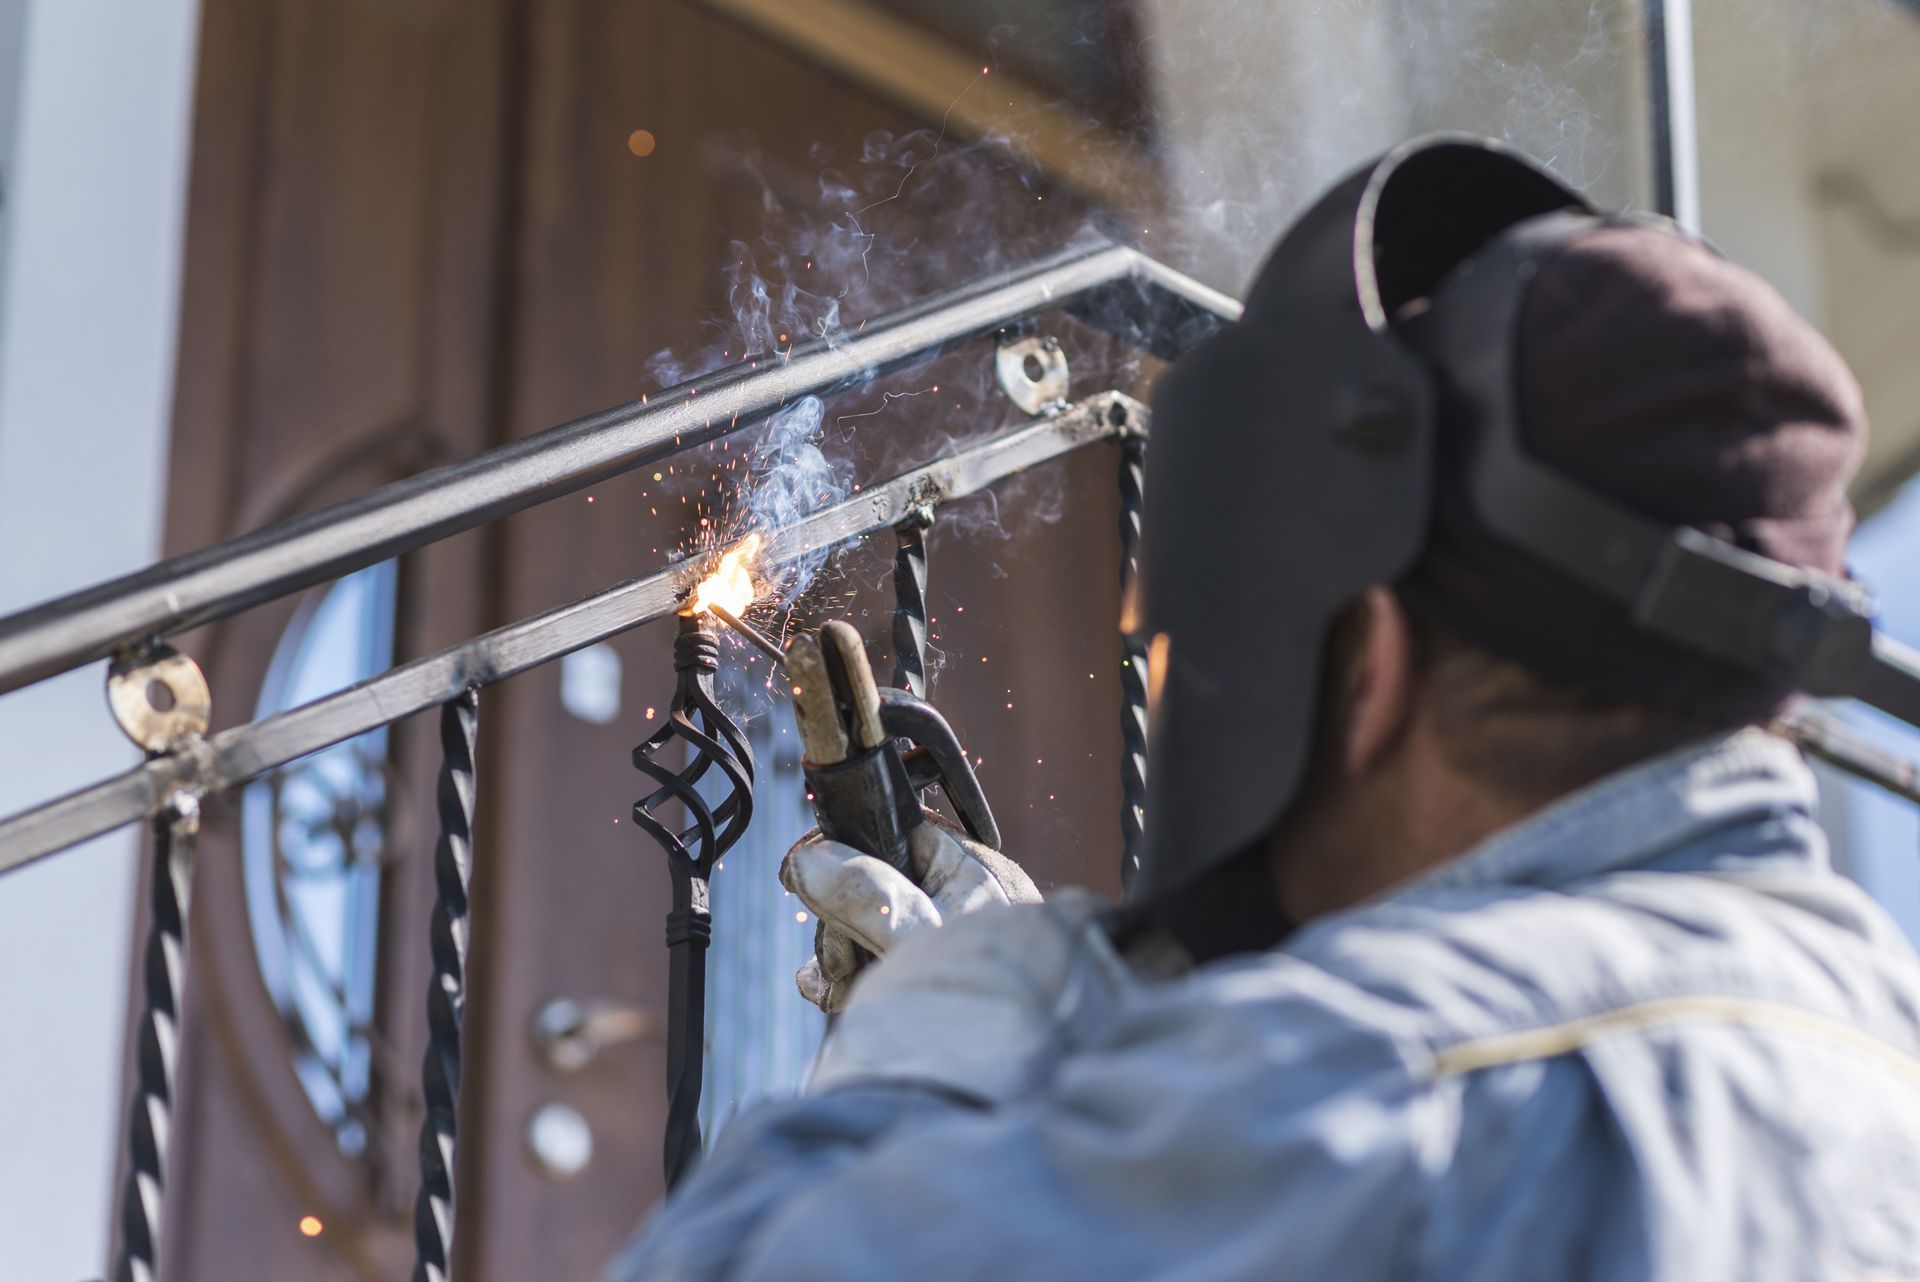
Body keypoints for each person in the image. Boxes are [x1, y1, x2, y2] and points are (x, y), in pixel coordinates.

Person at [612, 138, 1920, 1280]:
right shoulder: (1880, 1069)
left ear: (1371, 663)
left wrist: (930, 1062)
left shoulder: (1388, 1091)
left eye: (1180, 655)